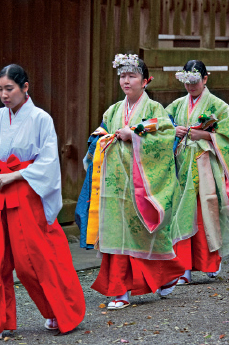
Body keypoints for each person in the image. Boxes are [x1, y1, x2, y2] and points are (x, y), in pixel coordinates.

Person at [0, 64, 85, 343]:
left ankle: (58, 309)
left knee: (31, 260)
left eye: (9, 88)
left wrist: (15, 175)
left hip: (25, 191)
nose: (4, 95)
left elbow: (47, 161)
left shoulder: (41, 119)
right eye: (0, 89)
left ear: (25, 87)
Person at [80, 54, 186, 309]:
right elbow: (99, 134)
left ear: (145, 81)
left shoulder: (154, 110)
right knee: (117, 235)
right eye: (123, 76)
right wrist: (102, 139)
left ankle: (166, 275)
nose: (126, 81)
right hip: (115, 184)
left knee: (146, 235)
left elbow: (165, 138)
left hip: (141, 185)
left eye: (132, 76)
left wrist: (134, 137)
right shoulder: (113, 110)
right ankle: (121, 290)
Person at [165, 60, 229, 284]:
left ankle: (210, 262)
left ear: (205, 79)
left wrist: (206, 136)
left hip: (206, 167)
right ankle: (183, 268)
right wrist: (173, 130)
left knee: (205, 214)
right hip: (182, 165)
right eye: (187, 82)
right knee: (182, 214)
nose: (191, 86)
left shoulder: (219, 106)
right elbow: (162, 125)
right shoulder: (176, 105)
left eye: (195, 81)